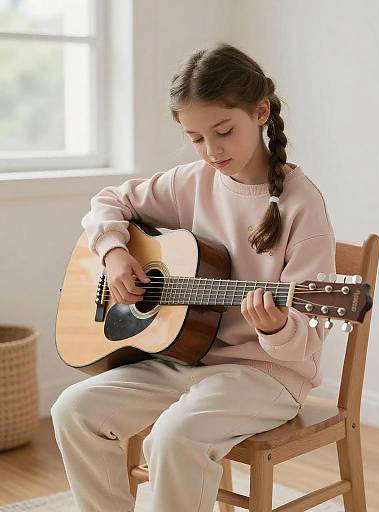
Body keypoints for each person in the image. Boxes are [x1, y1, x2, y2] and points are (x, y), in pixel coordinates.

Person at [51, 42, 336, 512]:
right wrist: (115, 253)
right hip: (185, 358)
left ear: (261, 111)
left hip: (267, 376)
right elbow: (108, 201)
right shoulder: (191, 182)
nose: (212, 150)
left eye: (223, 132)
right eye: (197, 138)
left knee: (173, 438)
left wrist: (276, 328)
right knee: (73, 411)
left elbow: (309, 334)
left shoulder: (302, 205)